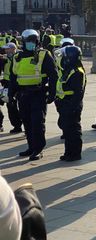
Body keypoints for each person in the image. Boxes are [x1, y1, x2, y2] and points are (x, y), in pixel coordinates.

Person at [10, 29, 58, 161]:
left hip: (38, 93)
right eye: (28, 41)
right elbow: (14, 78)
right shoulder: (17, 57)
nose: (30, 43)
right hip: (23, 94)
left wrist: (52, 93)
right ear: (23, 42)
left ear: (37, 41)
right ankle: (31, 147)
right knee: (27, 122)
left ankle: (38, 149)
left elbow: (53, 75)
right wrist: (10, 95)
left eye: (33, 41)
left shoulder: (44, 54)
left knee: (37, 122)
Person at [55, 46, 86, 161]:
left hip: (72, 104)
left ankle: (75, 154)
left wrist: (72, 107)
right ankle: (68, 152)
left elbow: (78, 93)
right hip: (65, 103)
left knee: (74, 130)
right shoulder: (69, 69)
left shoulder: (77, 72)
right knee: (67, 130)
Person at [0, 43, 22, 133]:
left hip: (19, 84)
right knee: (10, 106)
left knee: (21, 106)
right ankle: (17, 126)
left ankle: (25, 125)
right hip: (7, 84)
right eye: (5, 49)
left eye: (7, 49)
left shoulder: (20, 57)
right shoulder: (3, 59)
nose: (5, 51)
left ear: (13, 49)